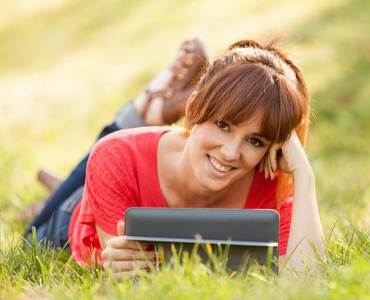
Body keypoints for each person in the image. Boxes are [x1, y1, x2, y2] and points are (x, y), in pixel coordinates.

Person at [26, 36, 325, 280]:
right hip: (75, 217)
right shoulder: (116, 157)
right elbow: (134, 283)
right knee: (32, 234)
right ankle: (141, 112)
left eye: (255, 140)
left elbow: (305, 283)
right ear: (192, 110)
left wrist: (303, 174)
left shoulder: (271, 187)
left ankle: (64, 179)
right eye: (223, 125)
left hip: (123, 177)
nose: (232, 153)